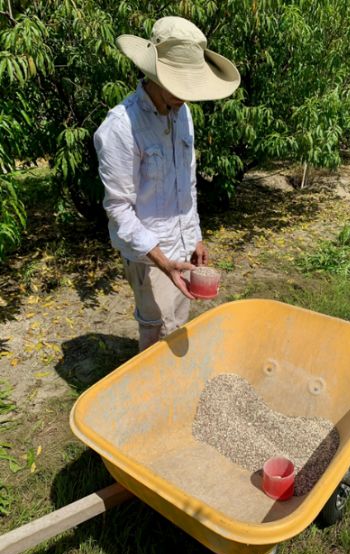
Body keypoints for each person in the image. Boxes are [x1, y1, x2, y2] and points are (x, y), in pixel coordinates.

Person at [94, 16, 240, 351]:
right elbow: (119, 209)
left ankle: (170, 385)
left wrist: (196, 236)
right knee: (157, 328)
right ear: (154, 75)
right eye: (179, 86)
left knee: (177, 321)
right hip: (150, 254)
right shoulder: (120, 128)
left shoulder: (182, 113)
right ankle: (151, 396)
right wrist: (162, 262)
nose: (185, 98)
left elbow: (186, 183)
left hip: (182, 245)